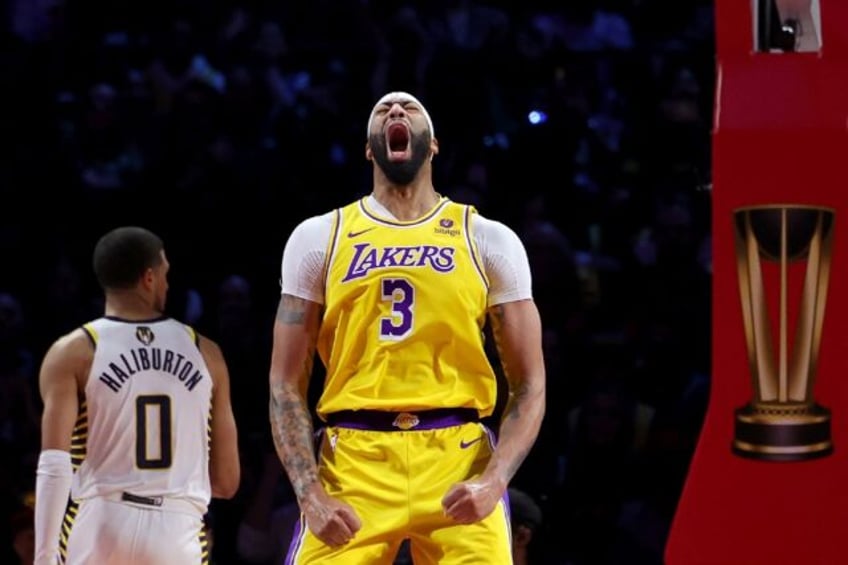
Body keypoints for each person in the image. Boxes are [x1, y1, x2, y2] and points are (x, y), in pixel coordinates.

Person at [269, 91, 546, 564]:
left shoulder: (486, 239)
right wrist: (309, 493)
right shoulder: (319, 237)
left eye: (410, 107)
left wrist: (495, 479)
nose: (396, 110)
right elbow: (284, 383)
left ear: (433, 144)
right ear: (369, 149)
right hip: (354, 459)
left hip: (458, 456)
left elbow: (530, 383)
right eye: (383, 109)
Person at [34, 226, 241, 565]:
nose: (167, 283)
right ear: (149, 277)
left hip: (102, 520)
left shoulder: (74, 350)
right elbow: (227, 481)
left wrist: (44, 556)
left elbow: (54, 463)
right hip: (177, 526)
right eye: (165, 273)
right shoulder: (206, 352)